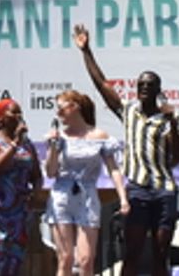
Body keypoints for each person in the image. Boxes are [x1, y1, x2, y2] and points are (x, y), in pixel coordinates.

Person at [73, 23, 179, 276]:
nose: (143, 88)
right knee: (131, 251)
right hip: (137, 190)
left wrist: (174, 121)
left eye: (149, 85)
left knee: (161, 251)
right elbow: (102, 85)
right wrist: (86, 51)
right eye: (140, 84)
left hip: (164, 190)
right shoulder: (128, 111)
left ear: (157, 90)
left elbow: (176, 152)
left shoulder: (167, 120)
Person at [44, 90, 128, 276]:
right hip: (62, 195)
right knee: (65, 259)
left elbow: (113, 168)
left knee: (86, 260)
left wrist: (123, 198)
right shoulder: (61, 137)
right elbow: (50, 173)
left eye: (61, 109)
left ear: (75, 107)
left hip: (87, 195)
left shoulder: (99, 136)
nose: (58, 114)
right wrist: (52, 148)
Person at [0, 99, 43, 276]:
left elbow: (37, 176)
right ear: (0, 119)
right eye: (14, 112)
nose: (19, 116)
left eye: (20, 112)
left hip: (18, 213)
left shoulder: (28, 145)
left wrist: (35, 193)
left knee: (14, 263)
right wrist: (14, 144)